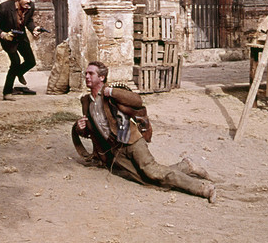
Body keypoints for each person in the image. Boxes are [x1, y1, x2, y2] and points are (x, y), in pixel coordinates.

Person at [73, 61, 217, 203]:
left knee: (152, 171)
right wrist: (80, 128)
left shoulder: (112, 92)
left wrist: (111, 92)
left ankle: (203, 189)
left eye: (91, 73)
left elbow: (137, 101)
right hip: (116, 149)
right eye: (86, 73)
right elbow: (92, 131)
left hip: (133, 141)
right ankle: (186, 166)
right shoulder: (86, 101)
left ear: (102, 77)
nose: (87, 76)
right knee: (145, 178)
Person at [0, 0, 41, 101]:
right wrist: (3, 34)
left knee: (31, 61)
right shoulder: (3, 8)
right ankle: (7, 92)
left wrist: (33, 30)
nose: (29, 1)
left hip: (21, 37)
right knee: (15, 62)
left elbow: (29, 21)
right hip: (8, 39)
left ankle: (18, 72)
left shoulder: (30, 6)